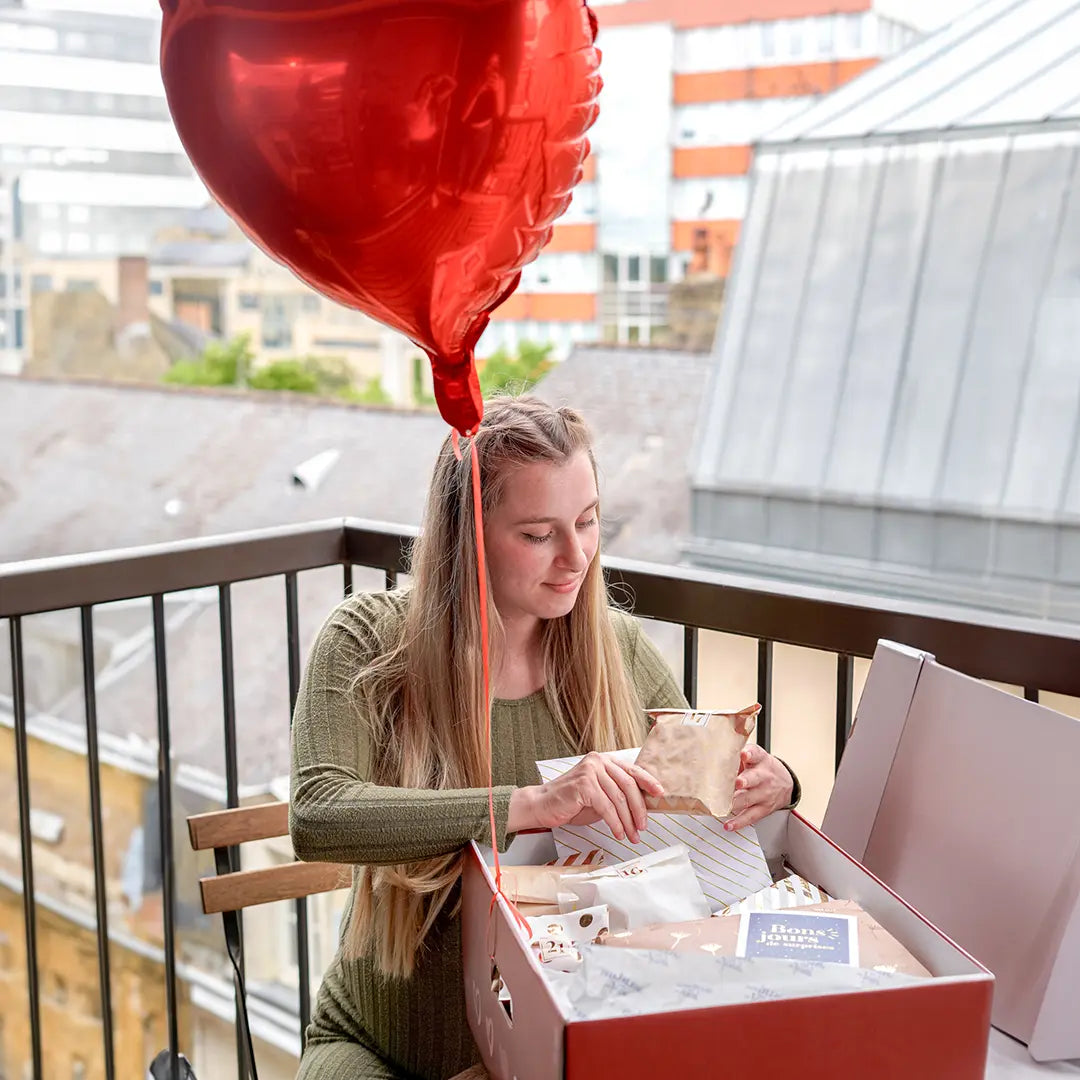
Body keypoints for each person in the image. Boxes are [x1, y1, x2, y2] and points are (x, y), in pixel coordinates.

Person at [289, 396, 799, 1080]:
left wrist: (776, 783)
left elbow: (692, 821)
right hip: (374, 1049)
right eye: (537, 534)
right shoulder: (367, 641)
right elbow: (318, 815)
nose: (575, 557)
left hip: (548, 1053)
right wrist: (530, 804)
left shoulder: (616, 652)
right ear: (469, 532)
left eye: (587, 522)